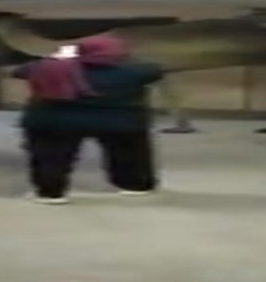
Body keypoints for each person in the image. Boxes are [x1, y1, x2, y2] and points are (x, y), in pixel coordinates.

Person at [13, 34, 163, 205]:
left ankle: (50, 193)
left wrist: (57, 57)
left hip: (56, 121)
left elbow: (20, 71)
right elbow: (156, 71)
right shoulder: (135, 71)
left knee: (51, 157)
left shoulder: (52, 68)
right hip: (121, 121)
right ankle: (136, 185)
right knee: (129, 153)